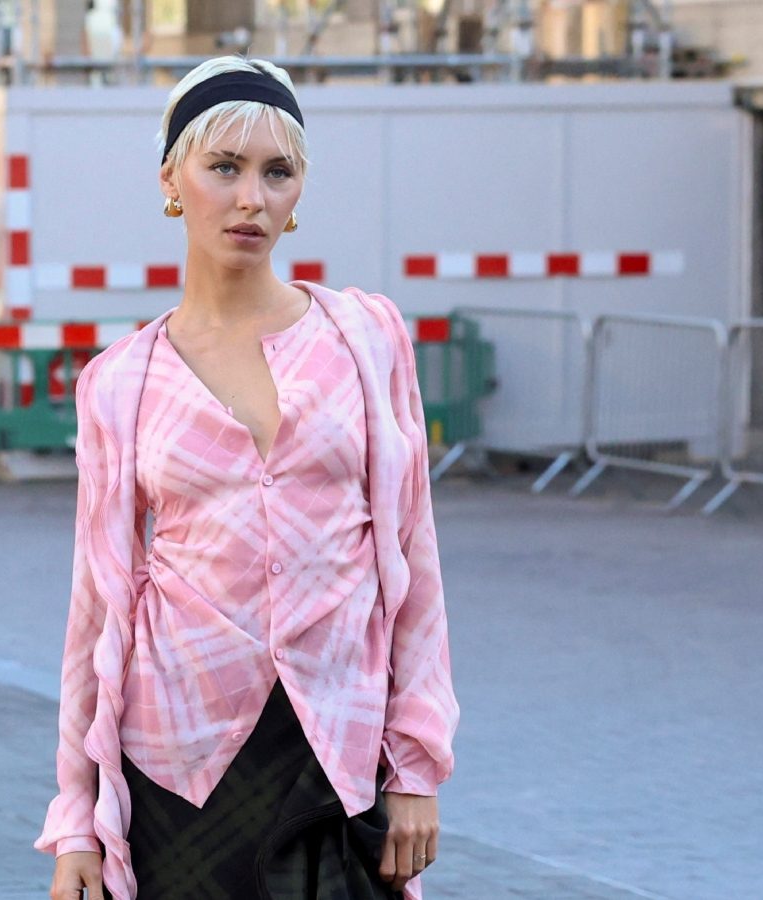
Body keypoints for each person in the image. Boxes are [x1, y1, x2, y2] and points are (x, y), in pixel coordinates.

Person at [35, 55, 460, 900]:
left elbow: (414, 559)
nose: (251, 199)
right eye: (224, 168)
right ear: (172, 178)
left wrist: (416, 765)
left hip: (336, 747)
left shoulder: (365, 339)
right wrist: (77, 817)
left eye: (277, 173)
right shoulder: (121, 381)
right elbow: (95, 610)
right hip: (178, 756)